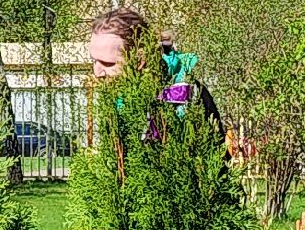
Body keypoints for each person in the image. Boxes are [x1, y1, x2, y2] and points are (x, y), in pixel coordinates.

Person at [86, 8, 227, 135]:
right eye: (94, 61)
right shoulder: (120, 98)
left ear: (140, 59)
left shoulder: (185, 95)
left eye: (108, 63)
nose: (97, 72)